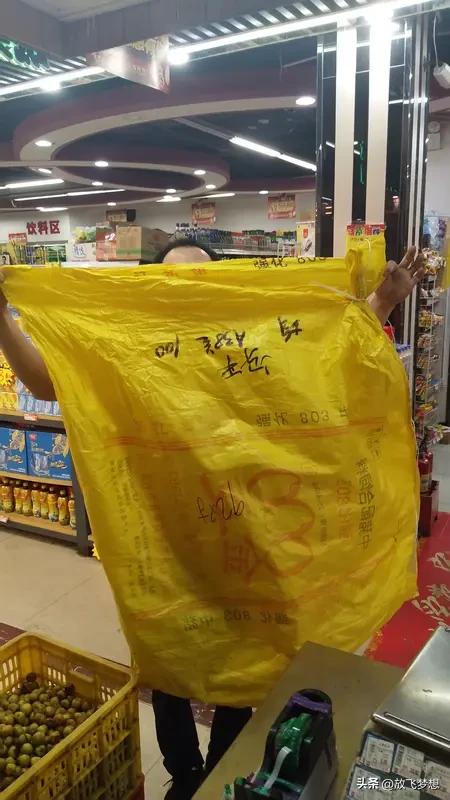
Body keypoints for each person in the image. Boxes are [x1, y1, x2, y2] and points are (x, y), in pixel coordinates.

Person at [0, 238, 425, 800]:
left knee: (243, 658)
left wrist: (383, 301)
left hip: (243, 539)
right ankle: (185, 773)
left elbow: (319, 355)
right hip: (166, 544)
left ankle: (224, 765)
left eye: (198, 280)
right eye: (172, 280)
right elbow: (46, 383)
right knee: (168, 662)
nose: (186, 290)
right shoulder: (129, 342)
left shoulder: (243, 338)